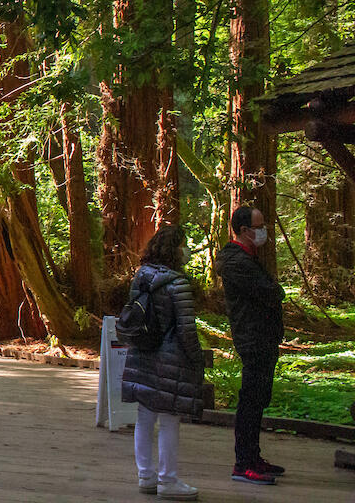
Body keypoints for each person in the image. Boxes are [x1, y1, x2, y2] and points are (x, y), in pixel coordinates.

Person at [120, 224, 204, 501]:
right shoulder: (178, 284)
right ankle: (168, 480)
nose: (187, 249)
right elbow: (186, 330)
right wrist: (198, 359)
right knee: (169, 419)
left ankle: (146, 475)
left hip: (143, 352)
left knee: (145, 415)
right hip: (171, 358)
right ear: (174, 250)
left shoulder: (141, 277)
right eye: (184, 244)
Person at [219, 206, 285, 485]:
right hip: (253, 338)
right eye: (259, 226)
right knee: (250, 401)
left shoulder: (249, 258)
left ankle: (253, 457)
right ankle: (243, 464)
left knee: (258, 400)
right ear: (244, 231)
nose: (263, 230)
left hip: (263, 338)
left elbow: (270, 292)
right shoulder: (236, 262)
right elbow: (269, 292)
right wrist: (275, 291)